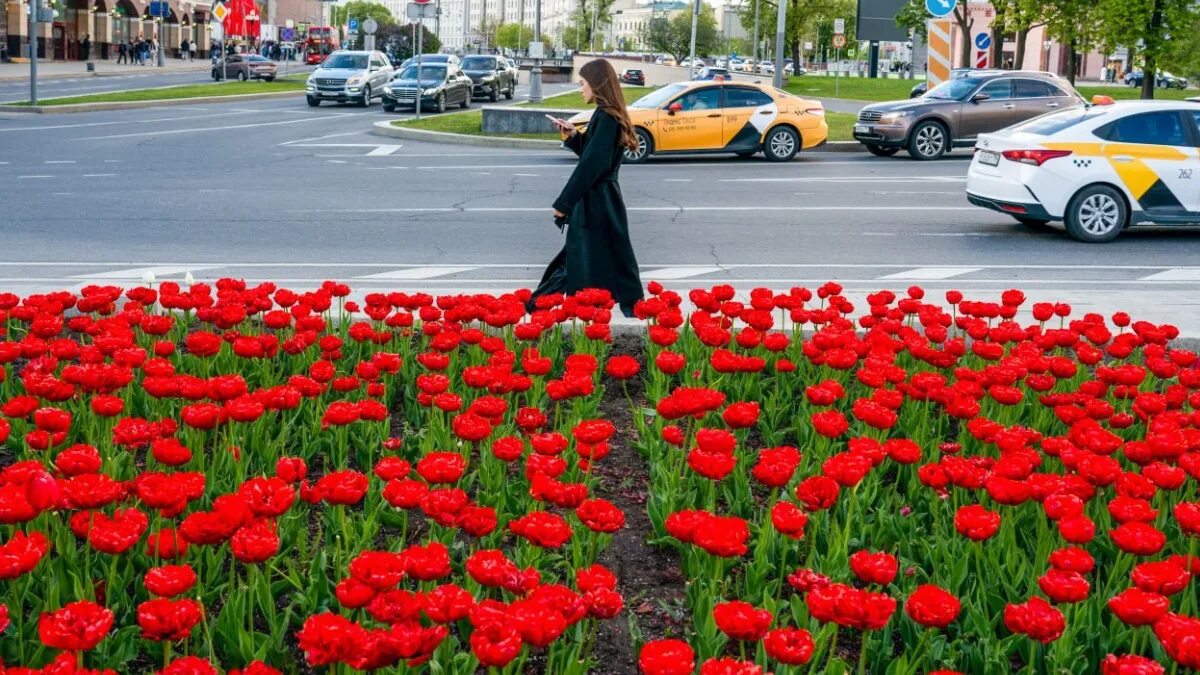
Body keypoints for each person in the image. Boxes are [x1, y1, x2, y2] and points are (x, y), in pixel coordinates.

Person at [530, 59, 644, 317]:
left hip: (597, 200)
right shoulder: (607, 114)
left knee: (584, 258)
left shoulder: (606, 116)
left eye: (583, 83)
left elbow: (591, 166)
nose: (580, 89)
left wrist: (563, 204)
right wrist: (573, 136)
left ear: (596, 83)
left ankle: (562, 307)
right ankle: (626, 308)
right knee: (603, 256)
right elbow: (595, 157)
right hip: (603, 199)